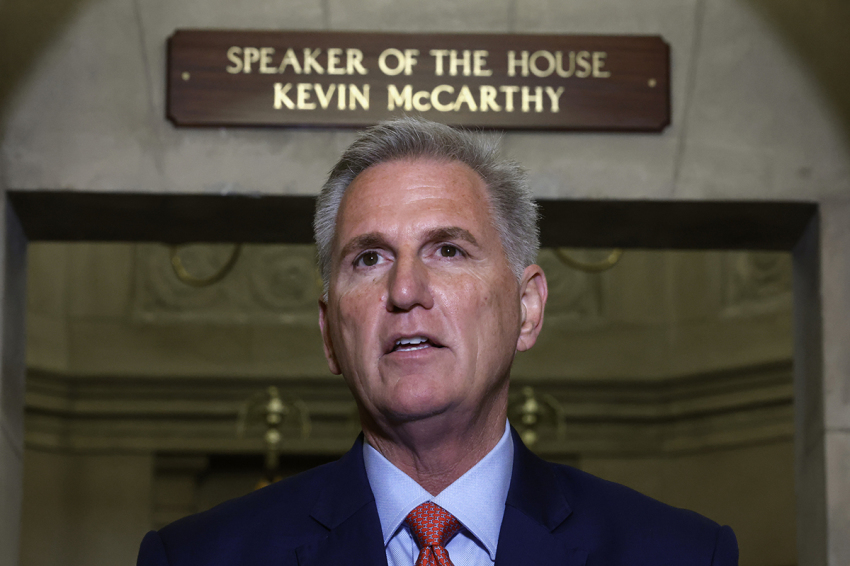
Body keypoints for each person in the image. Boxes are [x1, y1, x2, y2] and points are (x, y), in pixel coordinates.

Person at [137, 117, 738, 566]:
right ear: (329, 334)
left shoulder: (679, 553)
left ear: (527, 309)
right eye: (369, 258)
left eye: (448, 250)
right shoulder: (197, 557)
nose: (405, 290)